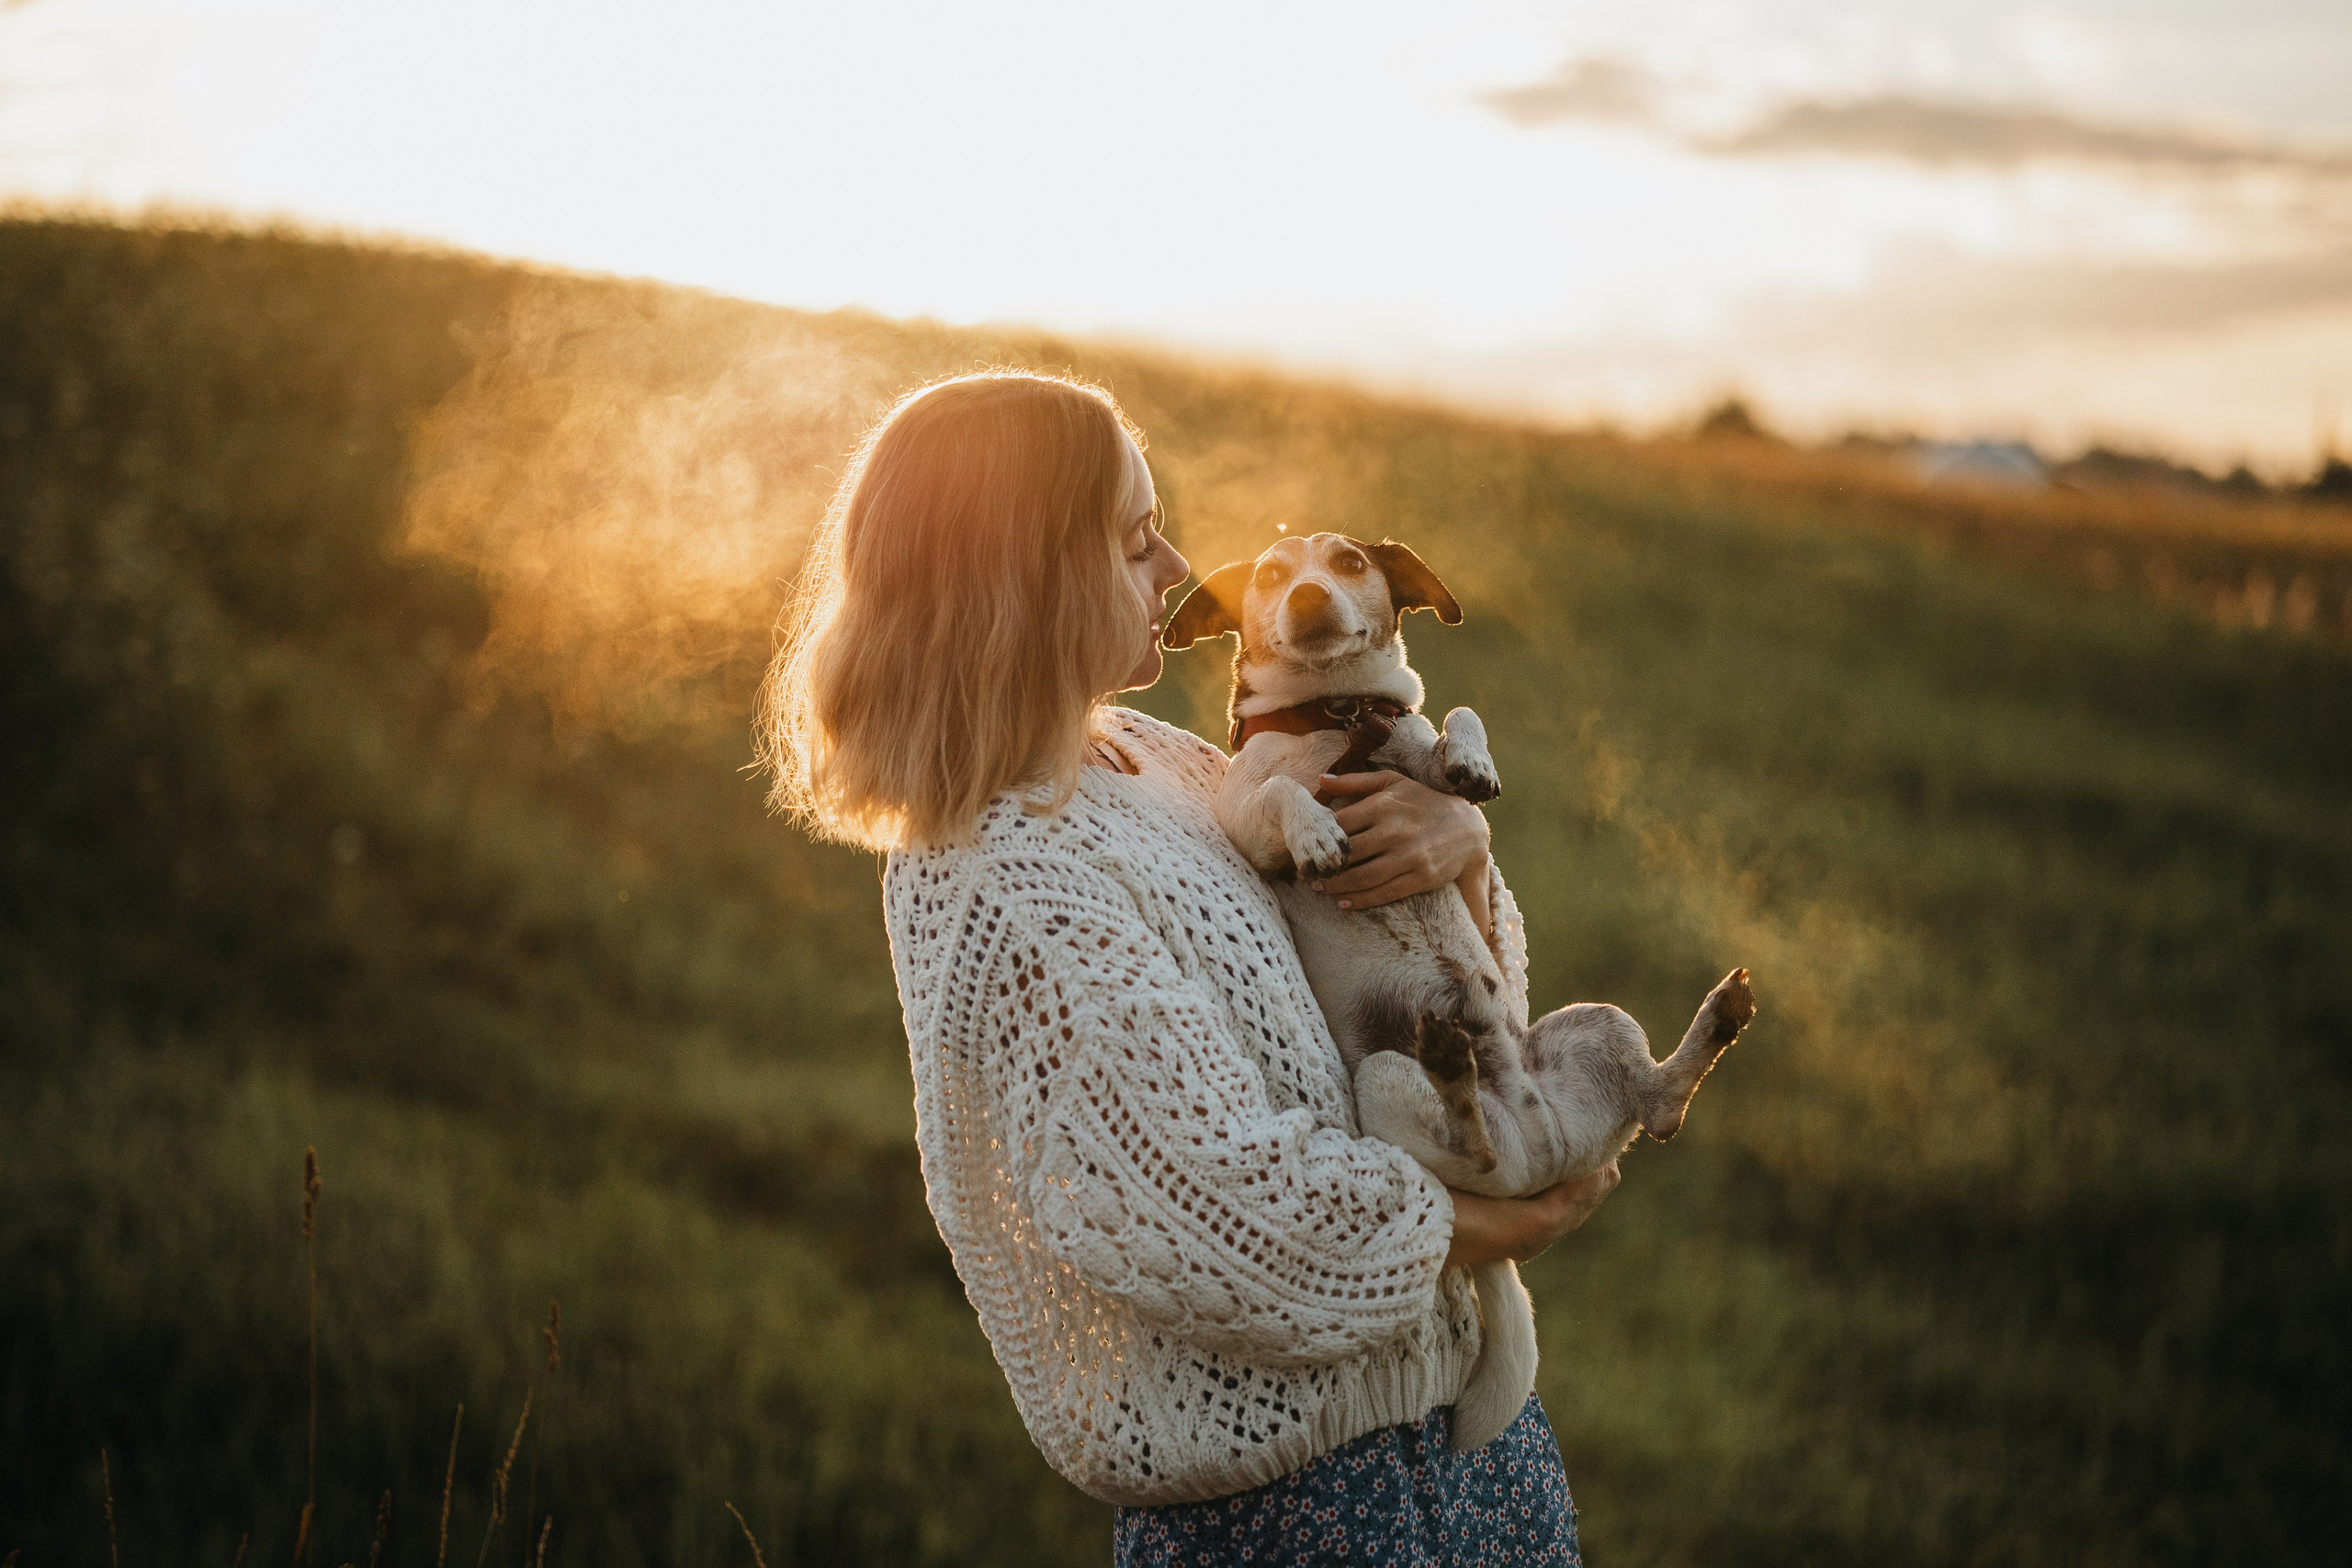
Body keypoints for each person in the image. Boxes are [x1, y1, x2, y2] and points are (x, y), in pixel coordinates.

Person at [759, 370, 1618, 1566]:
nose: (1176, 571)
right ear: (1028, 580)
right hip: (1301, 1514)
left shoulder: (1158, 761)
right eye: (1133, 543)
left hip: (1477, 1446)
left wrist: (1460, 850)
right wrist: (1512, 1219)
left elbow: (1450, 1000)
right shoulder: (1001, 869)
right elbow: (1217, 1217)